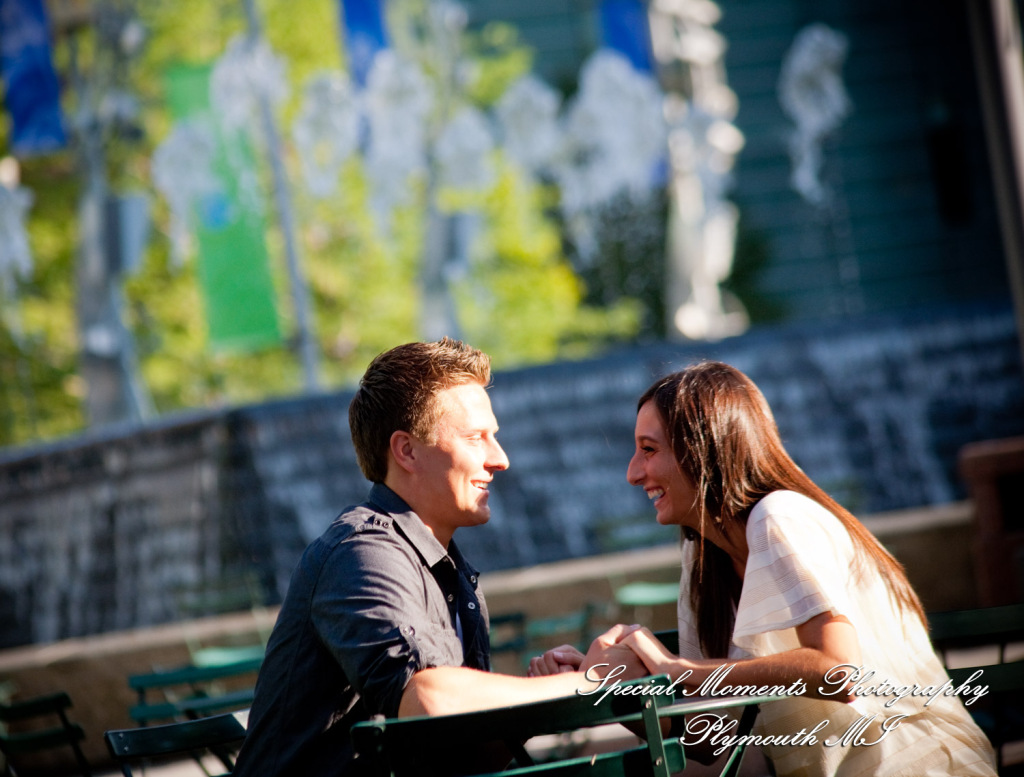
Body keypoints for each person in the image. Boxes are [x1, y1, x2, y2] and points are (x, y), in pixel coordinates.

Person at [533, 361, 996, 777]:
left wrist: (681, 668)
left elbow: (841, 672)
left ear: (702, 449)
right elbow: (709, 741)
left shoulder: (779, 517)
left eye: (649, 450)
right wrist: (614, 683)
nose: (633, 473)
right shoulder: (702, 556)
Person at [232, 338, 636, 777]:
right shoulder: (362, 554)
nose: (500, 459)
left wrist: (537, 695)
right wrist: (591, 682)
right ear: (405, 450)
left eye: (493, 437)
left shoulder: (450, 575)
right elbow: (429, 700)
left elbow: (465, 758)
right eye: (475, 438)